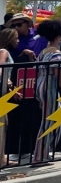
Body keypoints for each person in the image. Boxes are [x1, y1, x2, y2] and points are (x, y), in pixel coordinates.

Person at [32, 19, 61, 166]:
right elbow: (59, 75)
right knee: (50, 122)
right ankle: (41, 155)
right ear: (59, 37)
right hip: (50, 86)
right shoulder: (56, 53)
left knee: (52, 119)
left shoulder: (43, 52)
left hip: (41, 85)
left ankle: (43, 152)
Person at [0, 27, 22, 166]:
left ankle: (1, 156)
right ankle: (1, 159)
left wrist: (12, 89)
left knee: (4, 124)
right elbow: (1, 70)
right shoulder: (3, 51)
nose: (18, 41)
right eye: (16, 38)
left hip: (3, 92)